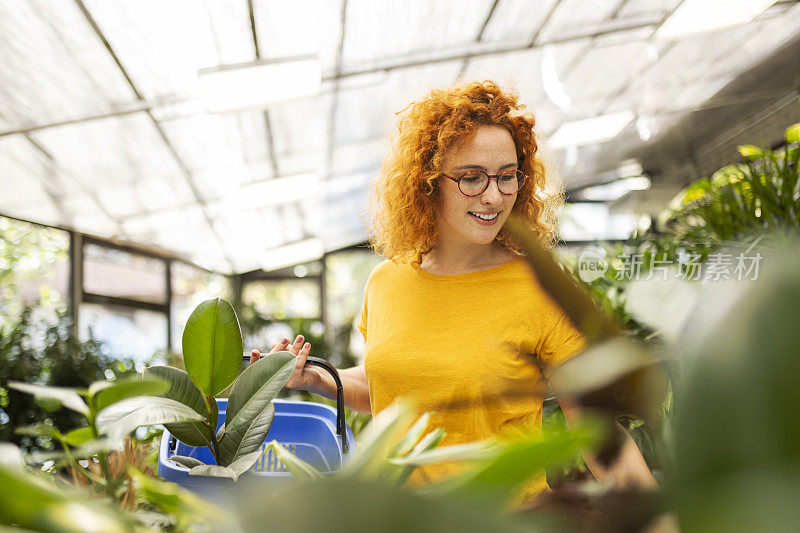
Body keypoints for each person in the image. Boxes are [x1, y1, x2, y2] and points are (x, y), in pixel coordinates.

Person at [250, 80, 659, 505]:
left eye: (507, 177)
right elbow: (396, 389)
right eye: (471, 178)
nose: (493, 196)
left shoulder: (540, 289)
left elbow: (600, 436)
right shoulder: (386, 282)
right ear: (429, 182)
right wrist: (320, 378)